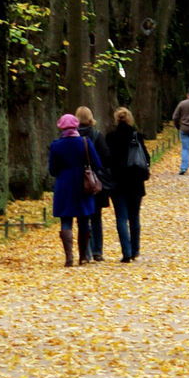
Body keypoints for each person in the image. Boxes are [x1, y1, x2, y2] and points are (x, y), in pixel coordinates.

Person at [49, 113, 102, 267]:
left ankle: (69, 257)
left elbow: (52, 170)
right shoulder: (85, 142)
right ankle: (84, 256)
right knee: (84, 218)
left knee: (66, 220)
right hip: (82, 184)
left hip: (64, 185)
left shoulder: (56, 146)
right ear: (76, 126)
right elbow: (97, 163)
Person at [106, 107, 150, 263]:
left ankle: (126, 252)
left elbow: (106, 160)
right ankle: (135, 249)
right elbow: (146, 159)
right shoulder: (136, 136)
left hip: (117, 183)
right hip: (135, 182)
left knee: (121, 218)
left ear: (116, 120)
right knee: (134, 217)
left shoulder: (110, 137)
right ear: (130, 118)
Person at [76, 105, 112, 262]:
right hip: (94, 181)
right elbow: (105, 158)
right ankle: (97, 250)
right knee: (96, 217)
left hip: (78, 181)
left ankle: (86, 251)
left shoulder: (73, 136)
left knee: (83, 216)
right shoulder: (97, 135)